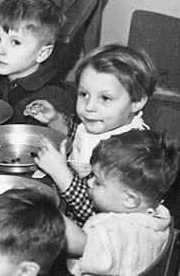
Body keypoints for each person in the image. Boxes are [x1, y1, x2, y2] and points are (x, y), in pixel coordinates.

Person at [60, 129, 178, 276]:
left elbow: (75, 242)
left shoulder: (111, 230)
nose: (89, 183)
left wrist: (45, 209)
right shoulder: (159, 218)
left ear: (130, 199)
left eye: (98, 181)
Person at [28, 44, 157, 223]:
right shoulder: (106, 123)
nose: (89, 107)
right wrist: (56, 121)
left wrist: (60, 172)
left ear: (137, 102)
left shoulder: (132, 153)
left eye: (105, 98)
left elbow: (94, 213)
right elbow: (84, 138)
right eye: (83, 94)